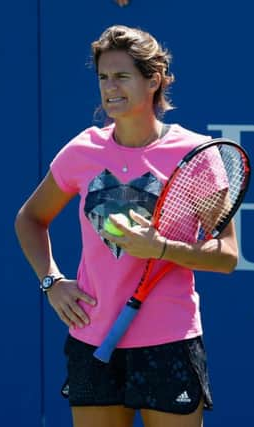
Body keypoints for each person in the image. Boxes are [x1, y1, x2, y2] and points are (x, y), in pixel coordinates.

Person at [15, 24, 239, 427]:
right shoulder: (82, 150)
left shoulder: (195, 153)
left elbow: (226, 256)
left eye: (122, 76)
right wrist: (52, 281)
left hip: (169, 341)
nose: (110, 87)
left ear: (153, 80)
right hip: (91, 337)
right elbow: (30, 219)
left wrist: (162, 249)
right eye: (103, 77)